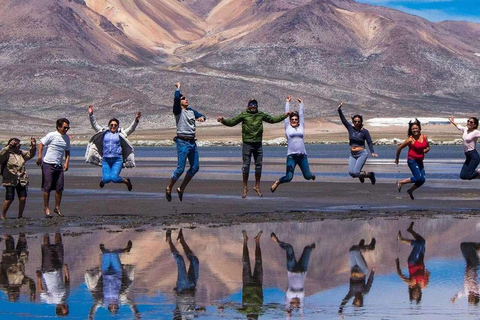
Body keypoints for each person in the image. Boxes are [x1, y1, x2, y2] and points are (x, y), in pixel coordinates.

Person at [217, 99, 288, 198]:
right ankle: (245, 187)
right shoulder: (244, 115)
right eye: (251, 104)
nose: (253, 106)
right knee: (246, 166)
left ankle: (257, 186)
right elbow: (232, 122)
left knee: (258, 165)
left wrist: (285, 116)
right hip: (247, 143)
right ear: (248, 106)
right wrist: (223, 120)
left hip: (258, 144)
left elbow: (273, 120)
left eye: (255, 104)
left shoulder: (260, 114)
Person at [166, 82, 206, 202]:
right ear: (180, 102)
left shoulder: (191, 111)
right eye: (183, 99)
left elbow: (202, 115)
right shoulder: (178, 111)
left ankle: (181, 188)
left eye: (186, 98)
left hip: (192, 142)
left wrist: (202, 118)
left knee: (195, 167)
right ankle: (169, 187)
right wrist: (178, 89)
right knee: (180, 169)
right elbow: (176, 99)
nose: (186, 99)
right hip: (182, 142)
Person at [85, 105, 141, 191]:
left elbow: (131, 129)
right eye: (111, 125)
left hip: (117, 160)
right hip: (106, 160)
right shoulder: (103, 133)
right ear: (109, 125)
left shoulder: (121, 134)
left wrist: (136, 120)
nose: (113, 126)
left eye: (115, 125)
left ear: (118, 126)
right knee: (107, 179)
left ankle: (126, 181)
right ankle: (104, 180)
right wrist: (91, 115)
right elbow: (94, 125)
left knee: (114, 178)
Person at [271, 96, 315, 193]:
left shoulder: (301, 127)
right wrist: (287, 102)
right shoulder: (288, 127)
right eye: (292, 119)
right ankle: (278, 182)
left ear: (298, 120)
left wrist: (301, 104)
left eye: (296, 119)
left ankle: (311, 175)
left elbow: (302, 114)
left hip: (302, 156)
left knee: (307, 177)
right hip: (291, 156)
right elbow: (286, 115)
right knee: (289, 177)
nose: (294, 121)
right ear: (290, 120)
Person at [85, 240, 139, 319]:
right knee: (113, 254)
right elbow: (131, 304)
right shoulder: (121, 300)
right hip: (117, 273)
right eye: (115, 308)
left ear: (109, 307)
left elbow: (95, 306)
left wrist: (91, 316)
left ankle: (104, 250)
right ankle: (126, 249)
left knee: (106, 254)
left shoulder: (103, 302)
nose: (113, 307)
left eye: (112, 308)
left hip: (105, 273)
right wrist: (136, 312)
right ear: (117, 307)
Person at [271, 232, 315, 315]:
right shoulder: (301, 296)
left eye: (294, 304)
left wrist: (289, 313)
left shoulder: (289, 295)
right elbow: (302, 309)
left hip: (292, 269)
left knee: (289, 248)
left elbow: (287, 307)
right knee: (307, 249)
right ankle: (311, 248)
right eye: (297, 305)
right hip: (302, 269)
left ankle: (278, 242)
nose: (296, 304)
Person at [166, 229, 204, 319]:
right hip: (192, 287)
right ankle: (181, 240)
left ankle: (169, 241)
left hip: (182, 288)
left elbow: (175, 316)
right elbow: (198, 311)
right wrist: (200, 310)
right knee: (195, 261)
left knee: (180, 260)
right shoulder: (192, 317)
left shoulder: (179, 316)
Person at [36, 118, 71, 218]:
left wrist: (66, 163)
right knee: (47, 187)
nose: (66, 129)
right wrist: (39, 157)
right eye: (64, 127)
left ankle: (57, 207)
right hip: (48, 164)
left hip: (58, 165)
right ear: (59, 127)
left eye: (68, 128)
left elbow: (67, 152)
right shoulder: (51, 135)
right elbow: (41, 144)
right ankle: (46, 207)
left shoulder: (67, 138)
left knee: (59, 187)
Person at [337, 102, 378, 184]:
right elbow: (344, 120)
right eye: (355, 121)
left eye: (358, 121)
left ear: (361, 122)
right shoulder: (350, 129)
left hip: (361, 153)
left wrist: (372, 152)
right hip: (352, 154)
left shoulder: (365, 131)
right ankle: (361, 175)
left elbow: (369, 141)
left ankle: (370, 175)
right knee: (352, 173)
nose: (356, 123)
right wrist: (339, 110)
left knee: (356, 172)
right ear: (353, 122)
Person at [0, 137, 36, 219]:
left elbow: (30, 155)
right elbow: (0, 156)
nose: (18, 146)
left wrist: (33, 146)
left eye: (19, 144)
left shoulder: (20, 153)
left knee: (23, 198)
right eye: (16, 144)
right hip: (10, 179)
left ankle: (20, 216)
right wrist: (9, 146)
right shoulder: (6, 153)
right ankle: (2, 215)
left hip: (21, 178)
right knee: (9, 199)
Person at [395, 119, 430, 200]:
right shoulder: (410, 140)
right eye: (413, 129)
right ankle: (401, 182)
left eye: (416, 128)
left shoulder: (424, 136)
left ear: (419, 128)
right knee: (418, 177)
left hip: (420, 161)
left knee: (422, 179)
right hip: (412, 160)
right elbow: (399, 148)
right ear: (411, 130)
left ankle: (410, 190)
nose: (415, 130)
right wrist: (397, 159)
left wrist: (426, 150)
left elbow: (428, 147)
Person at [338, 238, 376, 313]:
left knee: (351, 250)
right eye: (359, 301)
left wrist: (340, 310)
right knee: (355, 251)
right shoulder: (365, 291)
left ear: (354, 300)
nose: (357, 300)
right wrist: (372, 272)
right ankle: (370, 247)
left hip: (353, 268)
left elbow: (344, 301)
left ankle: (360, 246)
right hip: (362, 269)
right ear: (361, 301)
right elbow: (369, 282)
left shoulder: (351, 293)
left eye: (356, 301)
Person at [36, 232, 70, 316]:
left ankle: (46, 230)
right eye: (67, 309)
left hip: (48, 270)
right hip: (58, 268)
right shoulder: (66, 296)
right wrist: (66, 270)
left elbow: (41, 291)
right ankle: (57, 228)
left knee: (46, 247)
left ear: (60, 309)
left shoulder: (50, 300)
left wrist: (39, 277)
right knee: (58, 246)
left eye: (65, 309)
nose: (67, 307)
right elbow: (67, 282)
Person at [396, 222, 430, 303]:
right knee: (423, 242)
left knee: (418, 245)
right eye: (417, 295)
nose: (416, 293)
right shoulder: (425, 285)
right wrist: (427, 274)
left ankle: (401, 239)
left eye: (414, 294)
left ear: (412, 292)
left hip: (412, 262)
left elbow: (400, 275)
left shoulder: (411, 283)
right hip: (420, 261)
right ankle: (410, 230)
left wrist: (397, 264)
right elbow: (427, 274)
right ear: (420, 294)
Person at [0, 234, 35, 302]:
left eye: (13, 293)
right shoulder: (21, 282)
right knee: (22, 241)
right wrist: (32, 292)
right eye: (15, 293)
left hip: (9, 261)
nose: (14, 292)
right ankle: (21, 227)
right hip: (20, 260)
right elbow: (30, 282)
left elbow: (1, 275)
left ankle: (7, 228)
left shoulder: (4, 285)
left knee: (9, 241)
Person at [239, 230, 264, 319]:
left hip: (247, 284)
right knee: (259, 262)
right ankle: (257, 241)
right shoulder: (260, 312)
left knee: (246, 262)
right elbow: (270, 308)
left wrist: (223, 307)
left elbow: (235, 309)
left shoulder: (245, 311)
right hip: (258, 284)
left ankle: (245, 241)